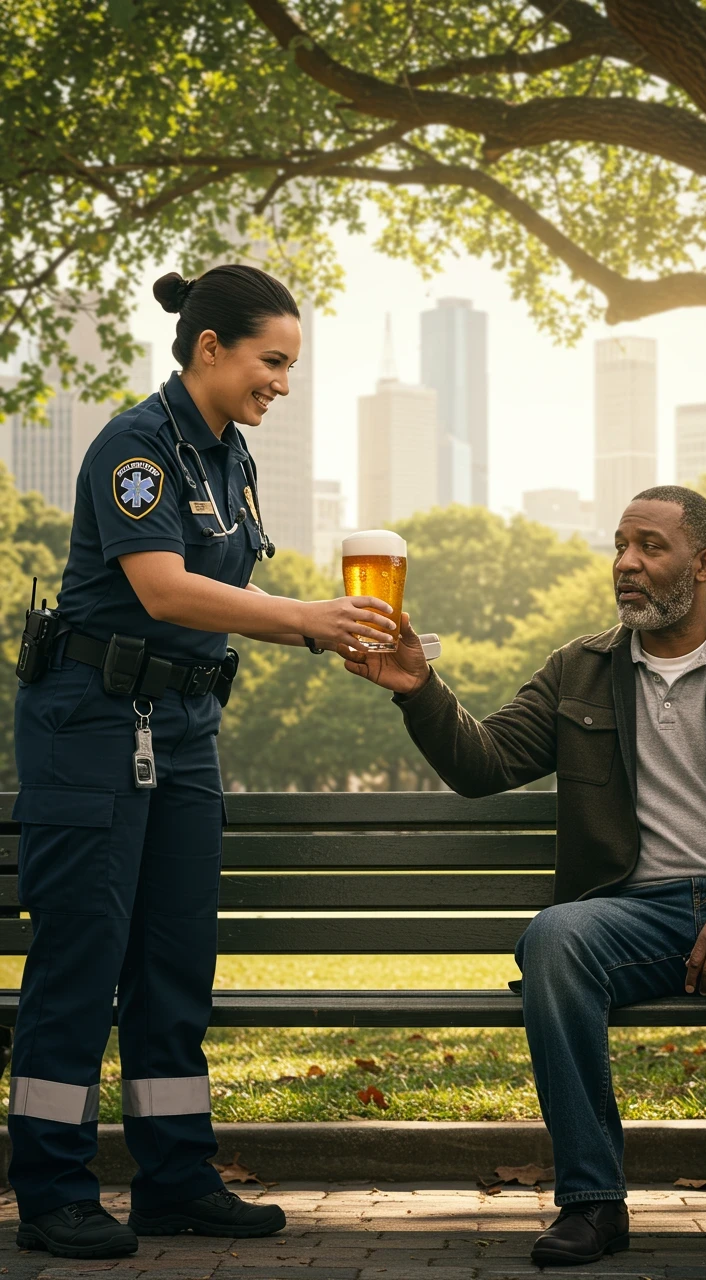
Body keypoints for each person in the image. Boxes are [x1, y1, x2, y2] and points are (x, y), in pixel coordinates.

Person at [338, 485, 706, 1271]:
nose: (626, 564)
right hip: (631, 916)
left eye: (649, 548)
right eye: (621, 545)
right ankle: (592, 1203)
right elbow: (485, 764)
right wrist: (420, 690)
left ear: (703, 564)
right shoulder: (578, 669)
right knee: (555, 937)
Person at [10, 264, 397, 1260]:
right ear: (210, 347)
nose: (281, 381)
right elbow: (166, 591)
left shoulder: (231, 457)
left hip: (183, 731)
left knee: (174, 963)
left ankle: (175, 1177)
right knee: (81, 962)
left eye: (290, 366)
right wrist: (308, 620)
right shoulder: (135, 447)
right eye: (271, 361)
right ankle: (50, 1185)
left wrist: (339, 630)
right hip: (93, 725)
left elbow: (225, 604)